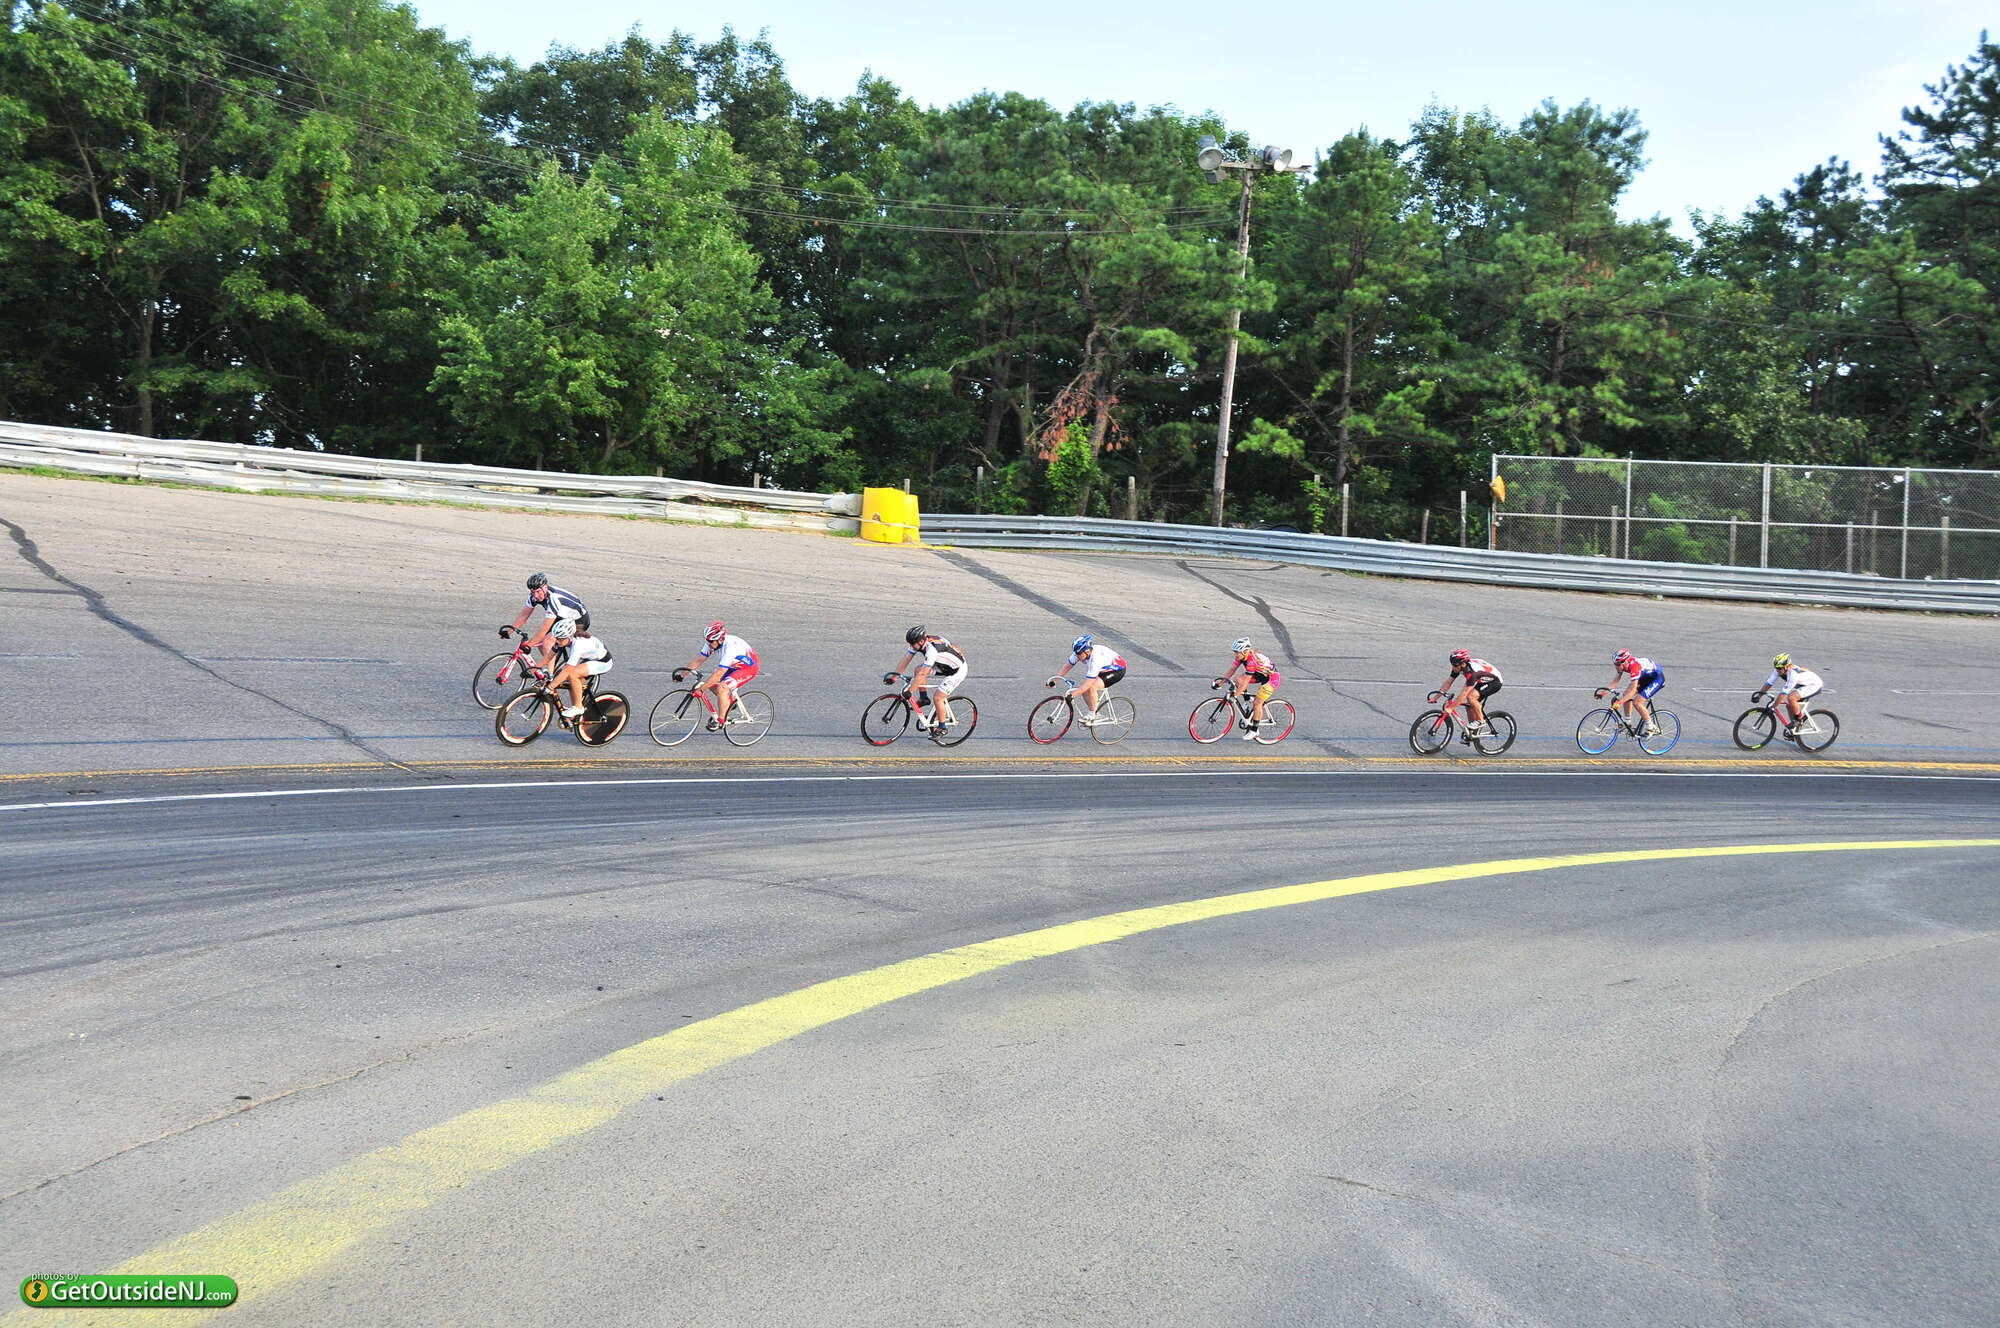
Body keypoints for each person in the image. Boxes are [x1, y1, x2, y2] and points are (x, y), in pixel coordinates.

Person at [675, 621, 759, 730]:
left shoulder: (730, 648)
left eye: (710, 641)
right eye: (707, 640)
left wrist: (701, 690)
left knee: (721, 688)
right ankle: (729, 702)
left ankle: (720, 721)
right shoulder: (712, 642)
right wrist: (682, 675)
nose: (708, 644)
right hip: (732, 666)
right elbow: (699, 659)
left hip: (747, 668)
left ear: (720, 640)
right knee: (710, 684)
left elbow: (719, 674)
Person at [885, 626, 967, 737]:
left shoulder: (931, 651)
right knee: (918, 669)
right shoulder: (920, 643)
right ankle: (924, 698)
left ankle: (942, 727)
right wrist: (895, 676)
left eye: (912, 643)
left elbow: (923, 674)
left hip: (957, 671)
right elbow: (906, 660)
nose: (911, 646)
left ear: (921, 641)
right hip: (943, 666)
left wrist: (910, 691)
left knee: (938, 697)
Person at [501, 572, 588, 666]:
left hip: (579, 620)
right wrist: (510, 631)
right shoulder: (533, 597)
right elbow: (524, 615)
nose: (535, 595)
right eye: (533, 592)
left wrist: (529, 645)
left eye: (538, 591)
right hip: (562, 618)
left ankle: (550, 674)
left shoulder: (553, 599)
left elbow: (544, 629)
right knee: (541, 642)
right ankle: (551, 664)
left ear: (545, 587)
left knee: (547, 641)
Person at [1047, 633, 1127, 724]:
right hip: (1103, 669)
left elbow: (1088, 684)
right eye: (1076, 653)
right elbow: (1066, 667)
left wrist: (1072, 695)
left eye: (1079, 654)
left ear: (1087, 651)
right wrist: (1054, 681)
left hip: (1117, 670)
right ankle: (1094, 711)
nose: (1077, 656)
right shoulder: (1078, 653)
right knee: (1084, 689)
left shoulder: (1095, 660)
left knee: (1091, 687)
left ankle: (1093, 714)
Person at [548, 617, 612, 719]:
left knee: (572, 674)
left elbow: (567, 670)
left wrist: (550, 687)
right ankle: (576, 712)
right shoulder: (566, 638)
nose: (557, 641)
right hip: (591, 659)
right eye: (556, 638)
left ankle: (578, 707)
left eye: (560, 639)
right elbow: (549, 656)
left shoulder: (578, 645)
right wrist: (538, 667)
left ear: (569, 637)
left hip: (603, 662)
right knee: (572, 683)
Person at [1222, 637, 1281, 739]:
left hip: (1271, 679)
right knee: (1237, 679)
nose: (1235, 655)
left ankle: (1254, 730)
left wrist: (1235, 696)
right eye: (1234, 652)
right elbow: (1232, 669)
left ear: (1245, 652)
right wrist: (1220, 682)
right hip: (1259, 675)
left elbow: (1245, 682)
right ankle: (1247, 700)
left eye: (1237, 652)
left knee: (1257, 703)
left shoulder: (1252, 662)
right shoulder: (1241, 657)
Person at [1434, 649, 1503, 733]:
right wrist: (1436, 697)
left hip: (1494, 682)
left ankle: (1481, 721)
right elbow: (1449, 682)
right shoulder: (1459, 666)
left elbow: (1464, 693)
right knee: (1469, 706)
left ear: (1463, 664)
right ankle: (1472, 732)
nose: (1453, 667)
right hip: (1483, 678)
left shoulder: (1472, 673)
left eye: (1455, 665)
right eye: (1452, 664)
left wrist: (1451, 708)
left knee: (1471, 697)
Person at [1753, 651, 1824, 733]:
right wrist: (1759, 695)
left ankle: (1798, 720)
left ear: (1786, 667)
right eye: (1776, 667)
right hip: (1802, 684)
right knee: (1789, 705)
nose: (1777, 670)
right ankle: (1793, 730)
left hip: (1814, 685)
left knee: (1791, 697)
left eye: (1779, 668)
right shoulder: (1779, 669)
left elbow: (1784, 693)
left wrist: (1774, 706)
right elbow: (1769, 683)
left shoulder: (1792, 674)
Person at [1597, 649, 1664, 734]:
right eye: (1615, 664)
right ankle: (1627, 722)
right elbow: (1615, 681)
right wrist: (1603, 693)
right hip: (1644, 676)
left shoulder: (1634, 667)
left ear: (1625, 662)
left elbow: (1632, 691)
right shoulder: (1622, 665)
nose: (1616, 666)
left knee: (1637, 702)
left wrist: (1619, 703)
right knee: (1626, 695)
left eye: (1618, 664)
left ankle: (1651, 727)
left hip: (1656, 679)